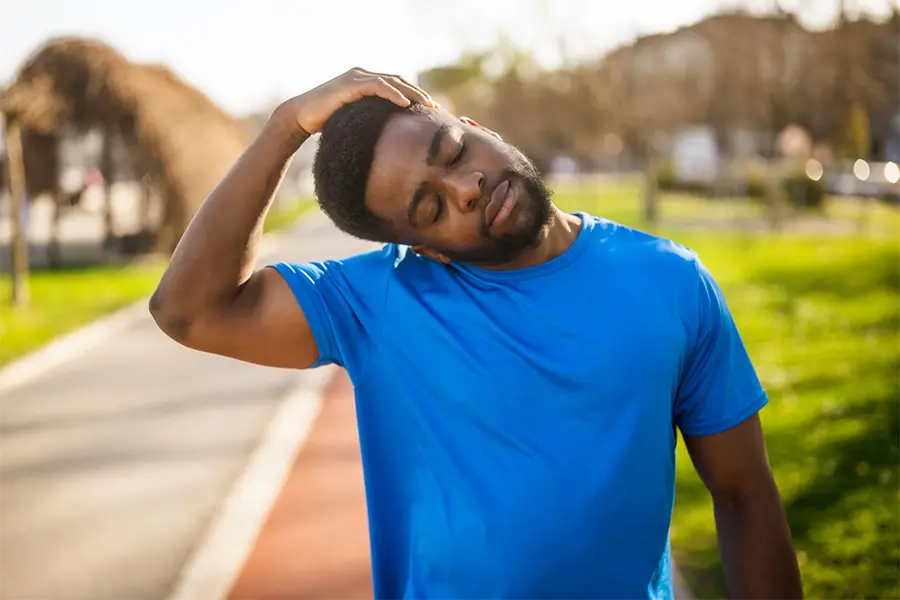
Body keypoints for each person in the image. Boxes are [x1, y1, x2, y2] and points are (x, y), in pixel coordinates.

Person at [149, 68, 803, 599]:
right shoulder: (377, 302)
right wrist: (285, 124)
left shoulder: (670, 279)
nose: (467, 188)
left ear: (473, 125)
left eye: (454, 152)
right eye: (429, 207)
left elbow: (745, 496)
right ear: (421, 248)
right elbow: (189, 311)